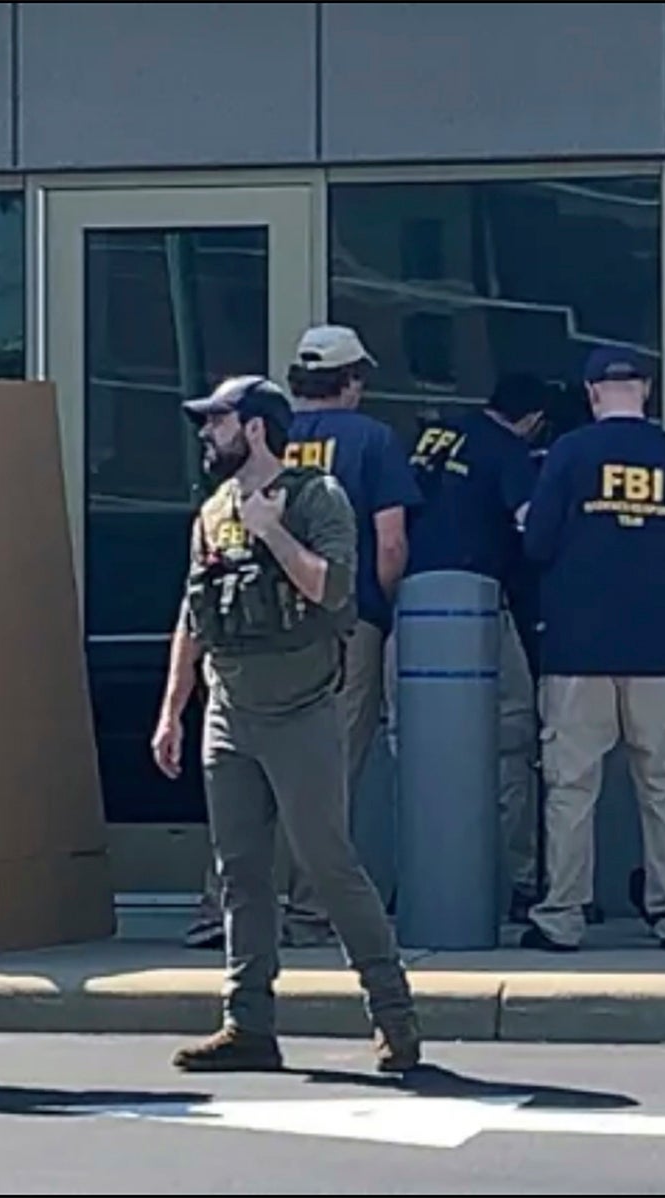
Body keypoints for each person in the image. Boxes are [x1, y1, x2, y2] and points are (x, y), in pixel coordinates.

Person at [152, 374, 422, 1074]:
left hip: (302, 711)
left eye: (217, 422)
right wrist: (172, 709)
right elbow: (193, 614)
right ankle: (248, 1024)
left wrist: (272, 532)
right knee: (239, 871)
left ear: (256, 429)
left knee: (328, 864)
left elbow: (333, 589)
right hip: (228, 713)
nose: (206, 435)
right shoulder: (212, 510)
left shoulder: (315, 498)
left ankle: (394, 1016)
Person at [181, 325, 421, 949]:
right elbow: (389, 542)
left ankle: (222, 911)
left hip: (240, 654)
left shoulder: (249, 467)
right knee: (324, 776)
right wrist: (384, 609)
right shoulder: (372, 441)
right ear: (352, 382)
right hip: (334, 635)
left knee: (242, 792)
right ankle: (313, 913)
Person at [517, 347, 665, 952]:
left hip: (577, 647)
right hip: (661, 647)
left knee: (571, 787)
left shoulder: (569, 454)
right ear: (648, 389)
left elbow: (536, 545)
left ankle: (562, 916)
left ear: (590, 394)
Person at [401, 373, 551, 920]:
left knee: (416, 747)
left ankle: (418, 872)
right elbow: (532, 527)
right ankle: (511, 877)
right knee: (511, 733)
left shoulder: (433, 438)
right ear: (532, 420)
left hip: (409, 609)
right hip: (477, 605)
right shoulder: (510, 450)